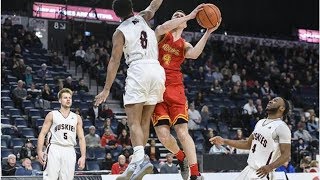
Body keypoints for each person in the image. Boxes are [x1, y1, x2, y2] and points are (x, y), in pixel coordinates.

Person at [94, 0, 165, 179]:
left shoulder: (119, 32)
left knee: (133, 121)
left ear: (116, 15)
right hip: (157, 70)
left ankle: (141, 160)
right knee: (144, 121)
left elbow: (114, 61)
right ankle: (134, 165)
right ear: (133, 9)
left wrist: (106, 89)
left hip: (139, 70)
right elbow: (154, 6)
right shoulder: (142, 18)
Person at [151, 6, 221, 180]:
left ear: (185, 26)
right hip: (156, 88)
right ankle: (181, 157)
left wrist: (208, 32)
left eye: (181, 16)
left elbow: (195, 54)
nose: (179, 17)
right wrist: (189, 16)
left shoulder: (184, 44)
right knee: (163, 136)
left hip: (175, 89)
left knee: (182, 133)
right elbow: (161, 27)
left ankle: (195, 174)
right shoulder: (161, 34)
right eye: (176, 15)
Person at [210, 97, 291, 180]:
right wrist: (224, 141)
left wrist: (270, 167)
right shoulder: (260, 122)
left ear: (282, 108)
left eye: (275, 101)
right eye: (272, 100)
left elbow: (286, 155)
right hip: (249, 169)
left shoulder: (282, 127)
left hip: (262, 173)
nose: (270, 101)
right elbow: (248, 144)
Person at [37, 88, 86, 180]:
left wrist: (83, 156)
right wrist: (39, 151)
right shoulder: (52, 114)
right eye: (65, 98)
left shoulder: (77, 118)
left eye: (70, 98)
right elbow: (42, 134)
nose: (68, 100)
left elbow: (81, 138)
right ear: (60, 100)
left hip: (69, 149)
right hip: (54, 148)